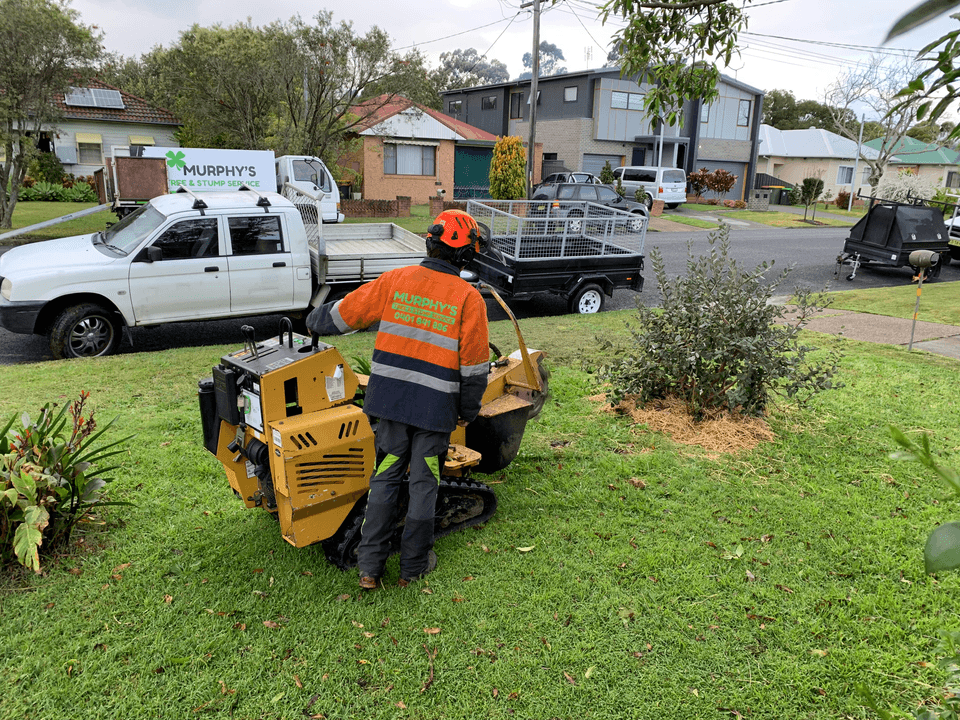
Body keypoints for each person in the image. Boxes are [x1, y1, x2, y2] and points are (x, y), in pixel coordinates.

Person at [305, 209, 490, 589]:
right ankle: (413, 567)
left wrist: (312, 320)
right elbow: (474, 370)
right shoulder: (469, 299)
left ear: (430, 242)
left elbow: (342, 315)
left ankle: (369, 569)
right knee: (425, 483)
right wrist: (467, 412)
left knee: (386, 478)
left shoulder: (396, 280)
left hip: (389, 405)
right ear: (464, 254)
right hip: (434, 411)